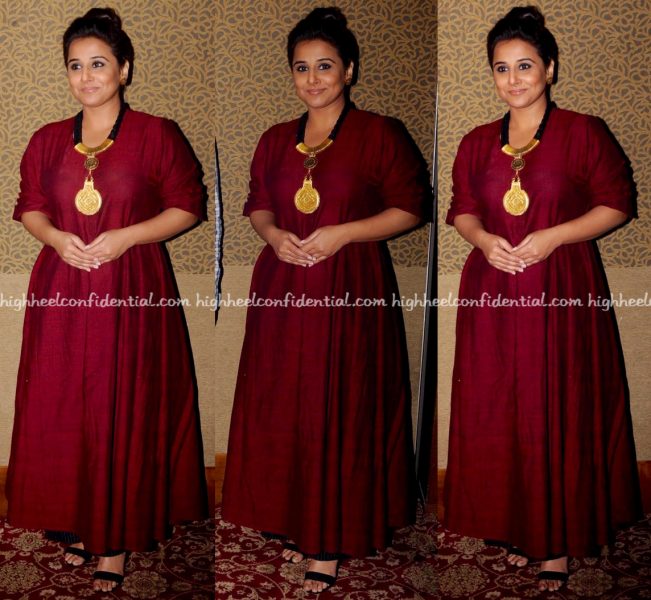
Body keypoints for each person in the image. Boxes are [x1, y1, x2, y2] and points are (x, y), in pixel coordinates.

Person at [221, 6, 431, 594]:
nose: (313, 78)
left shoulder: (380, 133)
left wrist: (343, 233)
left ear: (349, 70)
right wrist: (272, 235)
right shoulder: (273, 139)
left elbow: (411, 208)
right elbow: (259, 204)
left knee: (341, 401)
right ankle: (294, 515)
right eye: (301, 67)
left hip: (349, 286)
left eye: (325, 65)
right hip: (283, 286)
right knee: (287, 401)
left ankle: (330, 538)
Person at [6, 8, 208, 593]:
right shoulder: (47, 139)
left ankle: (114, 539)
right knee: (67, 405)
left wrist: (126, 236)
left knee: (125, 404)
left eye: (98, 64)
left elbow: (187, 206)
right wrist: (54, 237)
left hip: (131, 286)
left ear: (124, 68)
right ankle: (78, 519)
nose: (86, 76)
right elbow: (29, 206)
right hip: (63, 289)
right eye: (75, 66)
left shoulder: (157, 133)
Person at [443, 5, 642, 593]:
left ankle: (555, 540)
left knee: (558, 403)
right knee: (500, 404)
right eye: (501, 68)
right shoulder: (476, 142)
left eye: (525, 65)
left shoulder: (583, 131)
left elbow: (617, 204)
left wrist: (553, 236)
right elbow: (462, 210)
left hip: (561, 288)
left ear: (550, 68)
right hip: (493, 290)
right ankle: (511, 522)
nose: (513, 79)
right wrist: (483, 241)